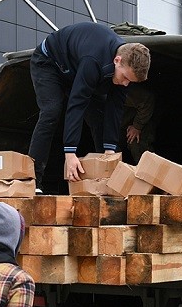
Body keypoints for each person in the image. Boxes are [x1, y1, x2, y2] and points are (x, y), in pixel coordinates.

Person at [28, 22, 151, 190]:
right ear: (117, 61)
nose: (125, 84)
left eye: (130, 81)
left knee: (98, 117)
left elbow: (115, 109)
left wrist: (110, 151)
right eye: (125, 78)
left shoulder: (123, 70)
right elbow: (77, 103)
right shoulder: (93, 61)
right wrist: (70, 153)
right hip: (50, 62)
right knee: (51, 112)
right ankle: (33, 181)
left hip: (76, 68)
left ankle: (108, 181)